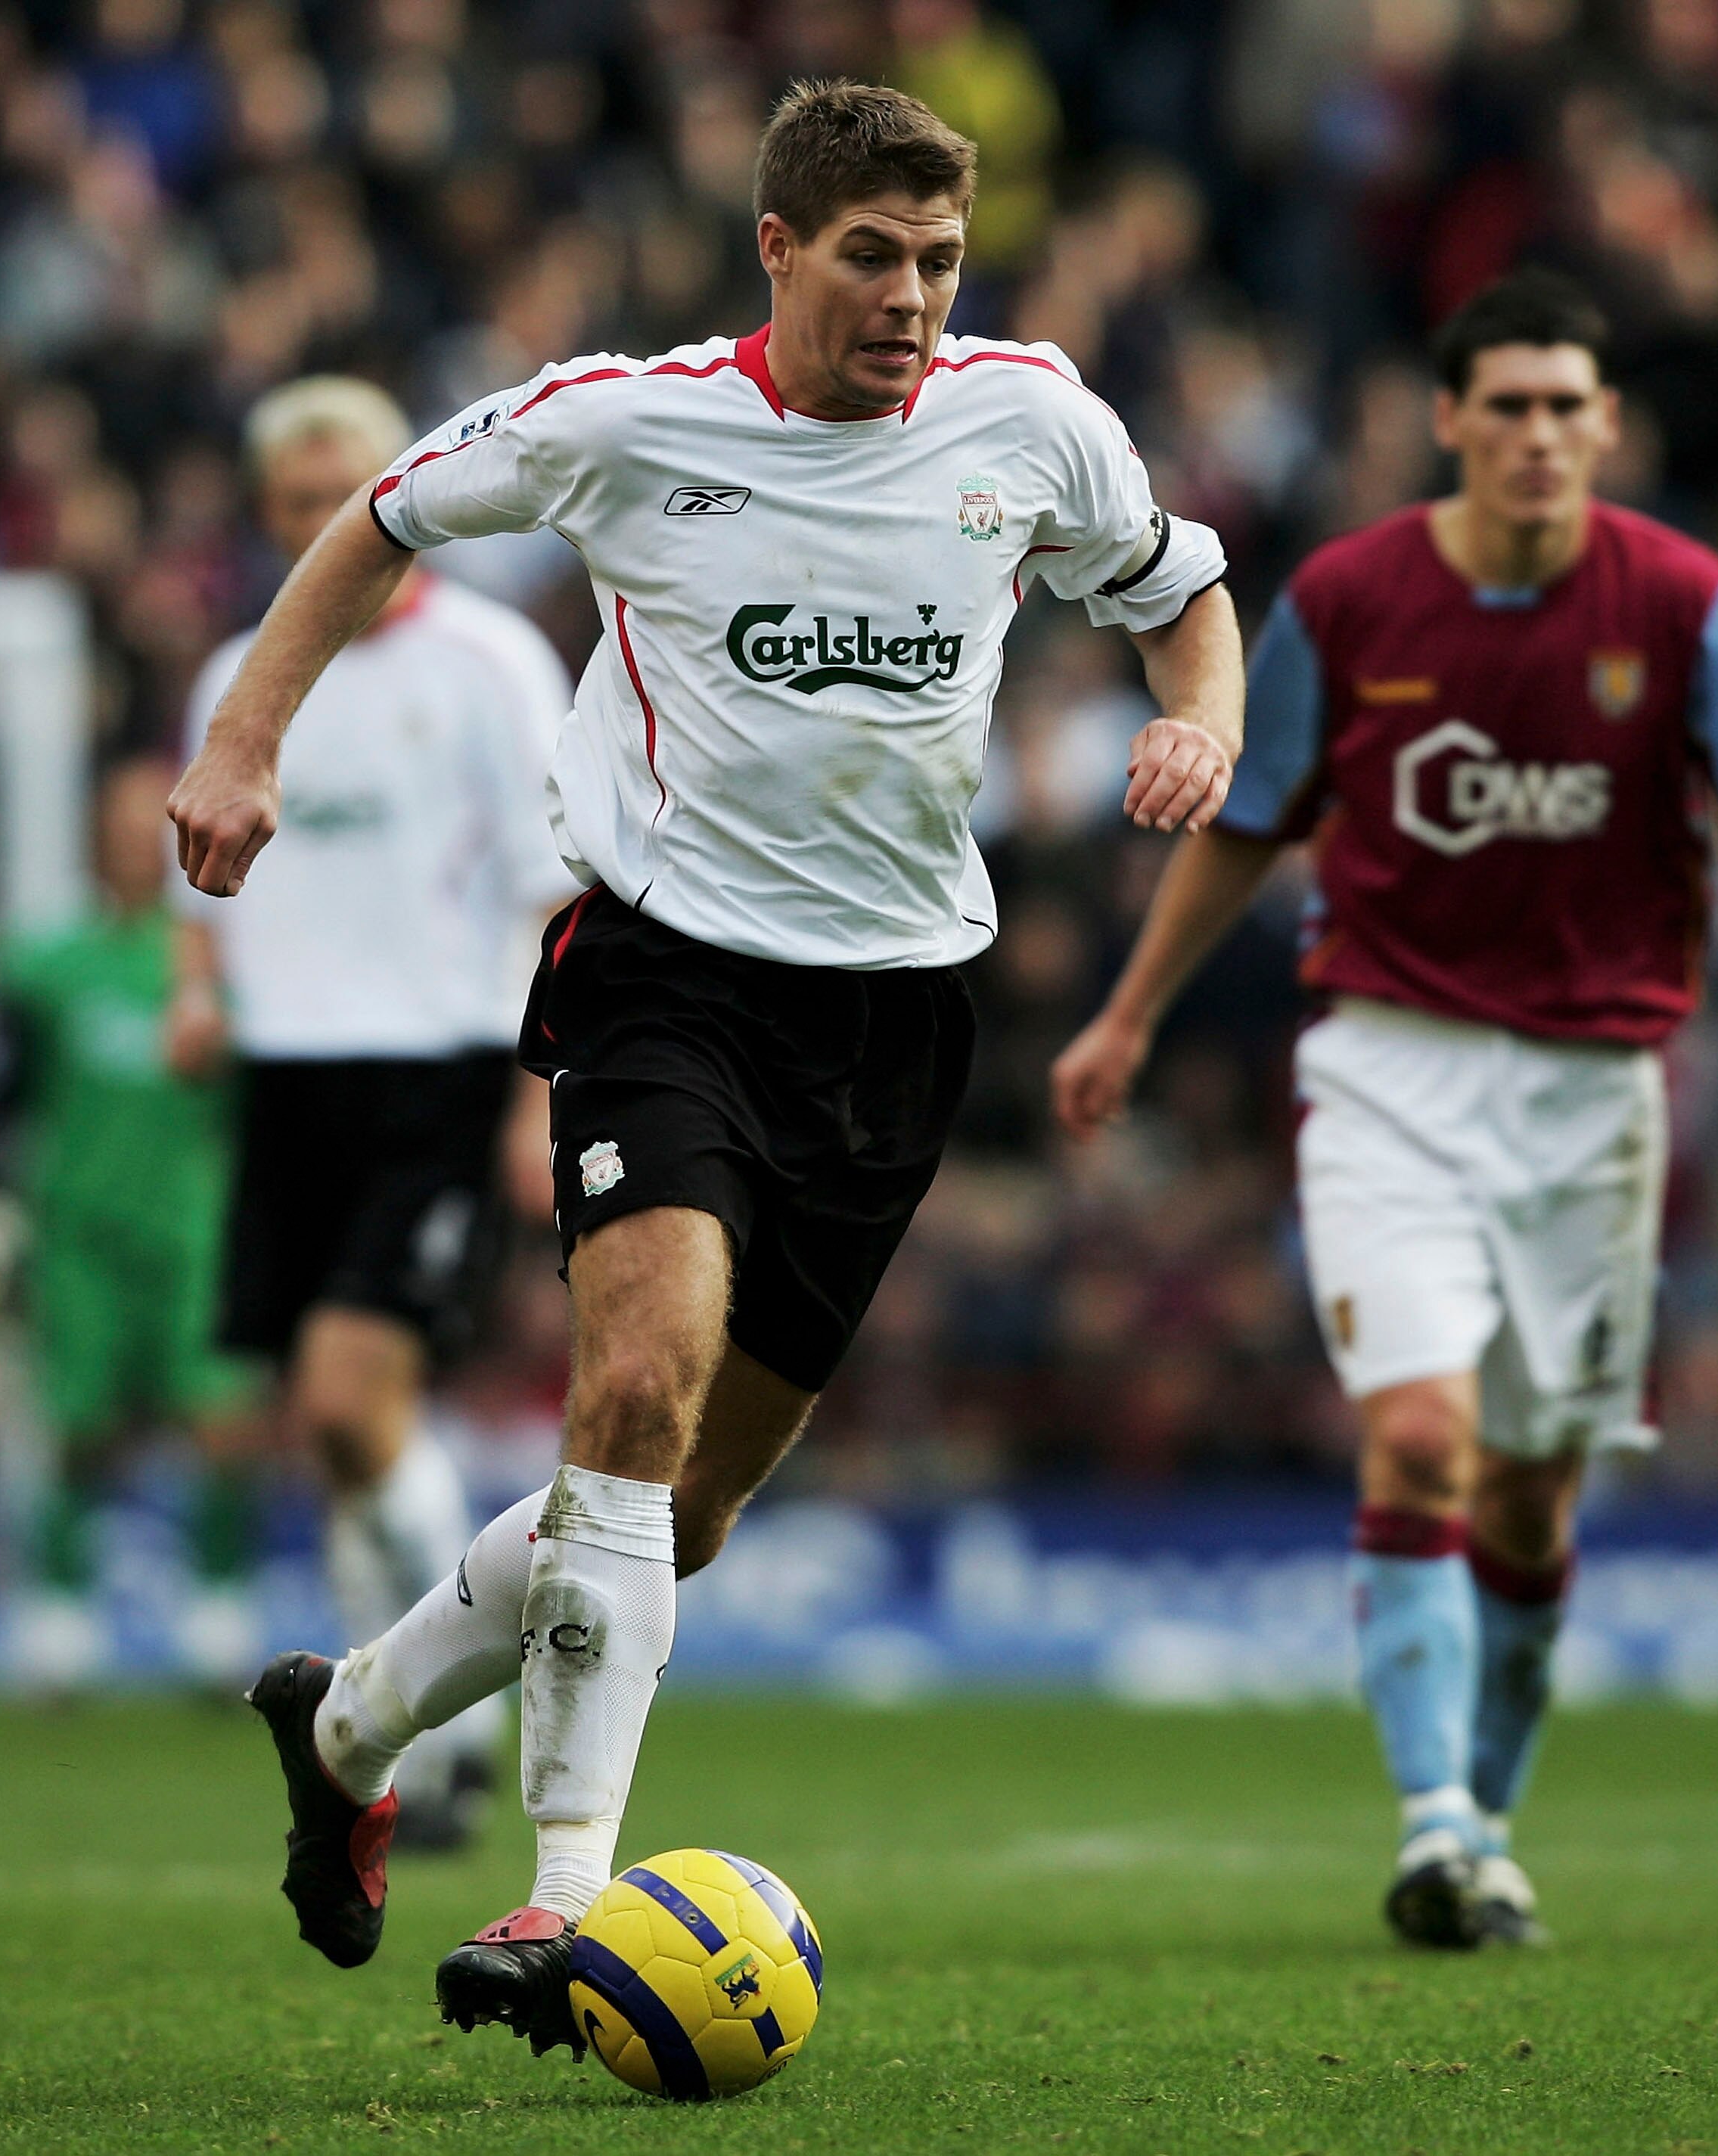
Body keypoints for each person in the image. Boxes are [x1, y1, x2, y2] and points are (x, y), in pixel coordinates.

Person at [169, 79, 1242, 2049]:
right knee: (633, 1387)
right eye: (869, 257)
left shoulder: (1034, 416)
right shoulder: (629, 419)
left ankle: (344, 1725)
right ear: (778, 248)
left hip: (897, 1016)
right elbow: (377, 516)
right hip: (661, 975)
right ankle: (566, 1897)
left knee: (680, 1512)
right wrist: (244, 745)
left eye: (937, 259)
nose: (912, 294)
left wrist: (1203, 719)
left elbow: (1180, 589)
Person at [1052, 268, 1718, 1950]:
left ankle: (1487, 1812)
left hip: (1600, 1099)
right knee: (1424, 1438)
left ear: (1606, 424)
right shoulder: (1354, 600)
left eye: (1562, 405)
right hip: (1389, 1063)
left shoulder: (1685, 602)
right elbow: (1252, 817)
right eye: (1503, 404)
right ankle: (1436, 1828)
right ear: (1451, 421)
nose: (1534, 433)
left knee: (1530, 1495)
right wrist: (1131, 1011)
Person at [169, 375, 579, 1849]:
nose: (329, 523)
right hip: (291, 1075)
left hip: (440, 1070)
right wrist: (195, 990)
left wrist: (537, 1102)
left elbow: (557, 892)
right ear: (270, 518)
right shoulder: (244, 668)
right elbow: (194, 883)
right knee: (339, 1435)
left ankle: (446, 1721)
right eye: (296, 503)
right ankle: (399, 1726)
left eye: (350, 493)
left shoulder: (490, 667)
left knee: (351, 1401)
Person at [0, 756, 262, 1688]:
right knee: (80, 1422)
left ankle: (218, 1607)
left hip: (195, 1226)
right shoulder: (45, 965)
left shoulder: (222, 972)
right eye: (116, 821)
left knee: (222, 1419)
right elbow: (2, 1094)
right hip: (80, 1230)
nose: (131, 842)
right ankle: (59, 1613)